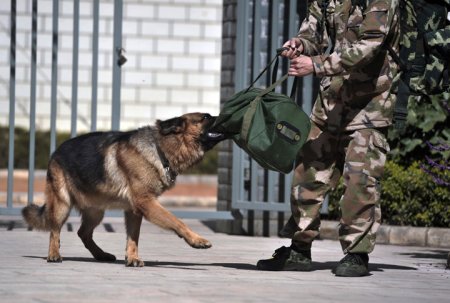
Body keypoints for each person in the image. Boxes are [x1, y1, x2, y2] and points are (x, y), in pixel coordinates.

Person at [256, 0, 400, 276]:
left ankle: (357, 253)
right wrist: (300, 44)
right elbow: (314, 35)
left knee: (360, 179)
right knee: (307, 174)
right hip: (330, 102)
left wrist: (317, 64)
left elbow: (371, 45)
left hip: (369, 105)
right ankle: (299, 250)